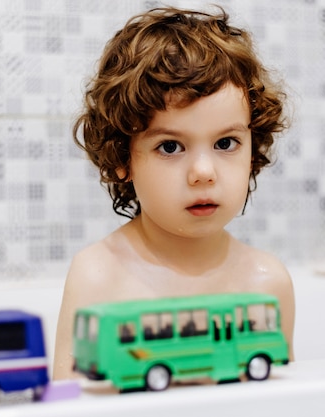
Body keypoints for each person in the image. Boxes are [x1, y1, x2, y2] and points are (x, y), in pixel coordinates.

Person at [53, 5, 295, 380]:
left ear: (253, 149)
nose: (203, 172)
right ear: (123, 159)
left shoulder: (266, 281)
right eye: (170, 147)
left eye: (226, 142)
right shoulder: (99, 276)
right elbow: (70, 403)